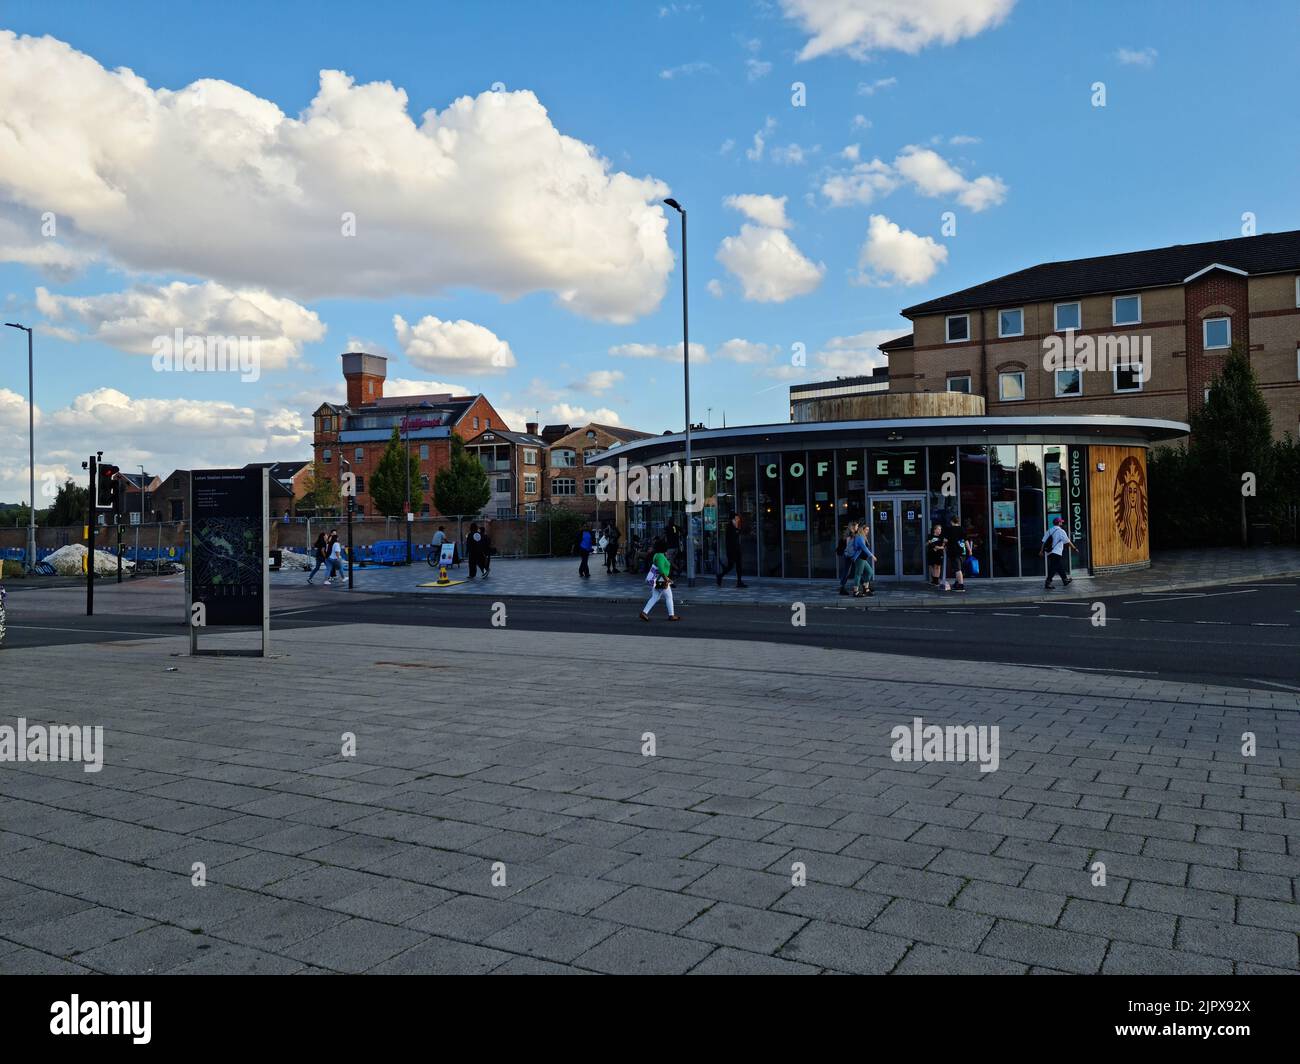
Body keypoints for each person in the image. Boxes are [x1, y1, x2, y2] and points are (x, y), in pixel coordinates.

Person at [640, 538, 680, 622]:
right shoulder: (661, 556)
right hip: (661, 579)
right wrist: (667, 580)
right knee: (669, 596)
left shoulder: (657, 555)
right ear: (663, 547)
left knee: (655, 597)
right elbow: (661, 570)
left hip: (658, 578)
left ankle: (644, 612)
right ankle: (671, 615)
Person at [1040, 516, 1077, 590]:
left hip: (1050, 552)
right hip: (1057, 552)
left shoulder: (1049, 530)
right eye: (1061, 522)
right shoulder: (1061, 531)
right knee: (1053, 568)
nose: (1062, 523)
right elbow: (1068, 541)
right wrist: (1074, 548)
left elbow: (1044, 542)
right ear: (1059, 523)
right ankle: (1048, 582)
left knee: (1059, 566)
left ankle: (1065, 580)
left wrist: (1041, 551)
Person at [715, 513, 748, 588]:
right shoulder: (730, 526)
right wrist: (737, 530)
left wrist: (738, 529)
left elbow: (737, 534)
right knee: (731, 566)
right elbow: (732, 538)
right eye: (737, 518)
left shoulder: (735, 525)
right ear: (733, 519)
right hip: (732, 550)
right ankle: (720, 576)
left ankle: (739, 582)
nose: (738, 519)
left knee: (738, 565)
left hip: (736, 549)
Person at [942, 514, 967, 593]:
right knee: (959, 568)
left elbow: (945, 540)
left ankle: (961, 585)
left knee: (957, 569)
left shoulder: (949, 529)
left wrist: (942, 546)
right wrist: (970, 550)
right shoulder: (962, 529)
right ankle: (957, 583)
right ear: (958, 521)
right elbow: (966, 540)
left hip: (954, 551)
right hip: (962, 551)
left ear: (951, 521)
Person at [851, 522, 876, 597]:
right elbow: (864, 548)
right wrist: (872, 555)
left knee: (870, 572)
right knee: (858, 574)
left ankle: (866, 588)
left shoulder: (862, 536)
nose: (867, 531)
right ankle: (855, 591)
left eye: (868, 530)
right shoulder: (859, 537)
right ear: (862, 529)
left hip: (863, 558)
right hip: (859, 558)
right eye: (866, 530)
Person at [836, 521, 856, 596]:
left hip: (847, 555)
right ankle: (842, 587)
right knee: (855, 571)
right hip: (850, 555)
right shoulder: (851, 535)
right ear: (853, 527)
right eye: (856, 526)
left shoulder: (846, 534)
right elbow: (848, 546)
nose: (857, 528)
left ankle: (842, 587)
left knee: (849, 571)